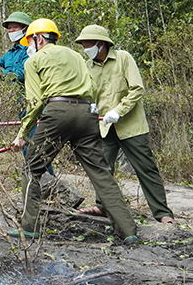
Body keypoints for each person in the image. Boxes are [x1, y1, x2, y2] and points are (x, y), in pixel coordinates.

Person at [9, 18, 138, 244]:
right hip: (87, 114)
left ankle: (28, 228)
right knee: (100, 173)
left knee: (32, 169)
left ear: (39, 38)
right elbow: (93, 86)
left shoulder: (34, 60)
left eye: (29, 40)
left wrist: (22, 134)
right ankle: (128, 232)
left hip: (57, 112)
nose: (28, 45)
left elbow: (35, 101)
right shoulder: (76, 56)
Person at [75, 25, 175, 225]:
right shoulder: (88, 66)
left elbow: (137, 89)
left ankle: (162, 213)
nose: (85, 47)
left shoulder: (123, 58)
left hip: (130, 126)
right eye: (83, 44)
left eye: (88, 43)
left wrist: (118, 111)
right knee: (102, 167)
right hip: (104, 126)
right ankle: (102, 206)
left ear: (100, 43)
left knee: (145, 168)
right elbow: (88, 93)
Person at [0, 11, 83, 208]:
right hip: (25, 106)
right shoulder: (10, 53)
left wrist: (0, 72)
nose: (10, 30)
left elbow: (19, 76)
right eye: (8, 28)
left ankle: (53, 195)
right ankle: (47, 193)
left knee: (37, 153)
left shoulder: (31, 55)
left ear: (31, 32)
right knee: (33, 152)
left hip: (43, 107)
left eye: (14, 27)